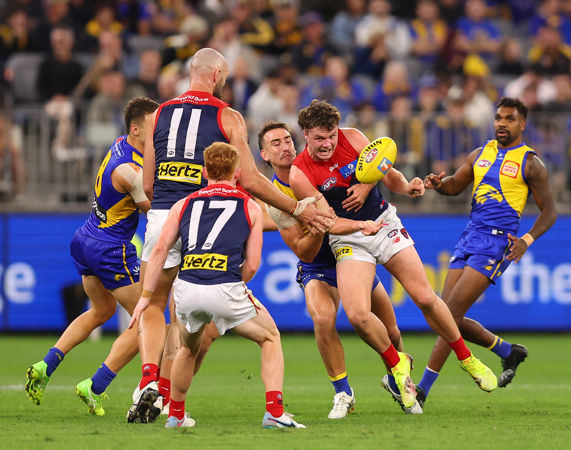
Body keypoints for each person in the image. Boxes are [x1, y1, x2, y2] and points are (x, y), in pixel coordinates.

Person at [127, 47, 331, 424]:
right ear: (217, 75)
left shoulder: (159, 114)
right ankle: (169, 399)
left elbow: (148, 184)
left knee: (156, 305)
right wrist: (295, 207)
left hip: (164, 213)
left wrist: (168, 207)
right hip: (207, 218)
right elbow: (250, 179)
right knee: (190, 325)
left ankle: (149, 380)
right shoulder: (228, 116)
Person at [289, 99, 497, 411]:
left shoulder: (353, 138)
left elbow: (387, 171)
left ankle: (467, 359)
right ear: (305, 134)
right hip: (349, 237)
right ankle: (397, 364)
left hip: (384, 223)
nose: (328, 144)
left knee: (425, 297)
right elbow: (327, 222)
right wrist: (360, 225)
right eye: (320, 138)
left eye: (331, 136)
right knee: (357, 315)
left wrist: (406, 186)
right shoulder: (299, 173)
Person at [130, 142, 305, 429]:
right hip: (226, 286)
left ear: (204, 172)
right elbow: (252, 264)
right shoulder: (250, 206)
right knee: (270, 337)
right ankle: (274, 412)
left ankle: (175, 416)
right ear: (237, 173)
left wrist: (145, 297)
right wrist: (232, 286)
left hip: (186, 288)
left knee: (187, 349)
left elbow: (160, 250)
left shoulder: (182, 204)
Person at [258, 121, 423, 417]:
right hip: (319, 263)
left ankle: (398, 381)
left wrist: (369, 187)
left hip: (354, 253)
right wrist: (320, 226)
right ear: (264, 155)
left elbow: (367, 169)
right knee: (323, 319)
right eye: (275, 143)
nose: (284, 147)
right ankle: (343, 393)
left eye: (287, 140)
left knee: (390, 330)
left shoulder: (314, 166)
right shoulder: (276, 198)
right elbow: (303, 251)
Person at [417, 97, 557, 406]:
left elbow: (550, 212)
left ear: (522, 124)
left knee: (449, 314)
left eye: (509, 119)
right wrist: (439, 184)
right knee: (444, 315)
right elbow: (455, 185)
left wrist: (527, 240)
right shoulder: (480, 154)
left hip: (496, 243)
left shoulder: (531, 163)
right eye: (498, 118)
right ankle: (508, 351)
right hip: (470, 236)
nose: (501, 124)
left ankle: (421, 391)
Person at [25, 97, 160, 415]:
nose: (160, 129)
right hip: (109, 248)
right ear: (136, 128)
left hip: (85, 237)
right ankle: (95, 386)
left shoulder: (121, 145)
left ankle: (45, 366)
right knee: (148, 319)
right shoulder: (130, 171)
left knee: (102, 310)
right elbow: (154, 211)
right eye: (154, 124)